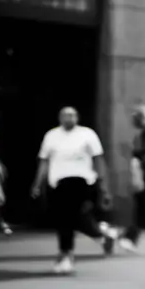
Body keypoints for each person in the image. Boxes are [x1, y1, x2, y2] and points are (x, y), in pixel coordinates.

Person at [30, 107, 118, 274]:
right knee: (70, 217)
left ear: (77, 117)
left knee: (68, 217)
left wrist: (104, 186)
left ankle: (66, 254)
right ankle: (102, 234)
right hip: (58, 181)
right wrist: (37, 183)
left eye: (71, 115)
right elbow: (44, 161)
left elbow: (98, 160)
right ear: (59, 117)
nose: (68, 118)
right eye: (65, 115)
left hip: (82, 180)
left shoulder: (87, 134)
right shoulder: (51, 136)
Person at [119, 104, 145, 251]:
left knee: (143, 207)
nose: (133, 120)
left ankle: (129, 236)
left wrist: (137, 165)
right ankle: (129, 236)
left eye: (136, 117)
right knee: (142, 207)